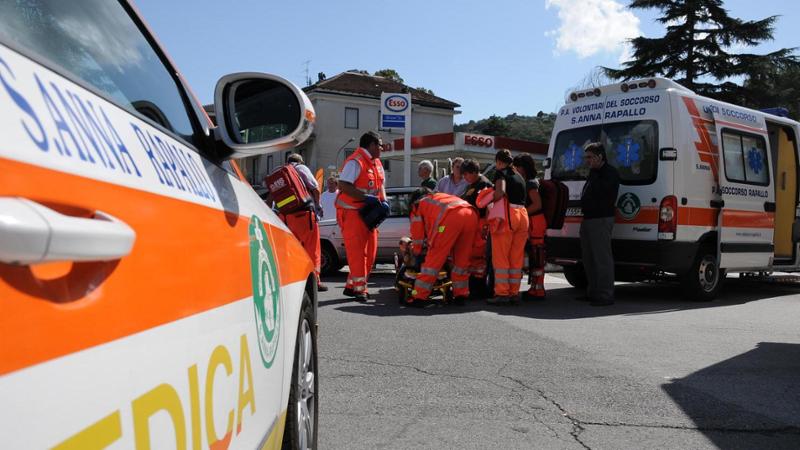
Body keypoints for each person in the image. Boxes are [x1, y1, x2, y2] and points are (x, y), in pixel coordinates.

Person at [336, 131, 387, 301]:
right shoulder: (356, 161)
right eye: (380, 144)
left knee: (370, 253)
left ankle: (352, 286)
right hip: (352, 212)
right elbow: (343, 184)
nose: (382, 148)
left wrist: (383, 201)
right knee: (358, 254)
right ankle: (360, 290)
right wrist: (366, 198)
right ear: (371, 145)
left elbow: (380, 185)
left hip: (367, 213)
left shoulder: (377, 162)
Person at [407, 188, 479, 305]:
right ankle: (461, 295)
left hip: (450, 218)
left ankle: (419, 297)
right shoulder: (440, 197)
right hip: (470, 214)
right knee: (461, 260)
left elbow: (418, 235)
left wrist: (416, 251)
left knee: (433, 261)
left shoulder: (417, 205)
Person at [278, 153, 328, 292]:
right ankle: (315, 281)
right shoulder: (302, 169)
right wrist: (318, 205)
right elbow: (315, 188)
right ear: (300, 161)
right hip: (304, 215)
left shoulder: (281, 172)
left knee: (291, 250)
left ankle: (291, 280)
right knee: (312, 249)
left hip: (286, 218)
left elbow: (272, 198)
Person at [580, 142, 620, 306]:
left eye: (590, 157)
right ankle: (593, 292)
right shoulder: (593, 172)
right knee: (589, 258)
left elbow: (603, 192)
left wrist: (594, 176)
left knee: (601, 258)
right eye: (586, 157)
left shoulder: (609, 173)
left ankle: (605, 294)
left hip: (601, 219)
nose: (587, 161)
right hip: (588, 219)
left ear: (600, 157)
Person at [489, 149, 529, 304]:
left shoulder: (501, 173)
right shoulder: (519, 176)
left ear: (499, 162)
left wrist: (487, 198)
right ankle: (513, 292)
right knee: (516, 257)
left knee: (501, 257)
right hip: (523, 215)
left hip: (508, 216)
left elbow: (500, 192)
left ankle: (502, 294)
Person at [513, 154, 546, 301]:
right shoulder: (528, 182)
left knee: (537, 255)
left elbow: (537, 204)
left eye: (516, 167)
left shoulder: (531, 183)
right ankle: (535, 288)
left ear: (523, 168)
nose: (514, 170)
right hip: (532, 221)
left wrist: (522, 212)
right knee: (533, 256)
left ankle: (538, 290)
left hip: (535, 222)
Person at [460, 159, 493, 298]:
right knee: (474, 258)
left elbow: (488, 207)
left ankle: (479, 288)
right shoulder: (472, 185)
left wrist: (485, 226)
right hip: (474, 224)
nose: (464, 177)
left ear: (473, 172)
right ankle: (474, 287)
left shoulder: (483, 184)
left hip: (481, 224)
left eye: (466, 174)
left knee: (479, 258)